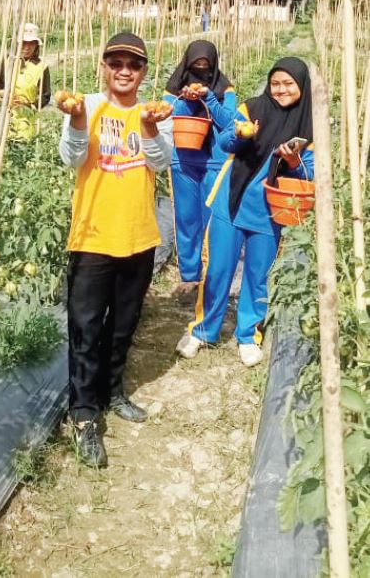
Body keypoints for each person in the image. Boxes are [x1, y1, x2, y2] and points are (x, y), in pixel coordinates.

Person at [58, 32, 173, 468]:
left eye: (134, 64)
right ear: (103, 67)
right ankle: (84, 415)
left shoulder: (155, 113)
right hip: (92, 236)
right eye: (116, 63)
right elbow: (71, 158)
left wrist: (147, 130)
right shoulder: (85, 106)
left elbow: (162, 163)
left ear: (143, 72)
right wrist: (73, 121)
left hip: (139, 235)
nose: (124, 70)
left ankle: (112, 390)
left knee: (123, 325)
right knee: (85, 328)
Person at [176, 57, 314, 367]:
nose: (280, 90)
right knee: (218, 270)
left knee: (258, 274)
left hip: (270, 211)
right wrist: (241, 134)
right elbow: (225, 142)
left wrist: (293, 162)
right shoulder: (253, 107)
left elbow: (311, 176)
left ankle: (248, 335)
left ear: (301, 86)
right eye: (275, 83)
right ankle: (202, 330)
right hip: (231, 200)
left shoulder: (310, 126)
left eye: (288, 84)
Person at [163, 40, 235, 294]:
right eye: (196, 66)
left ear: (214, 65)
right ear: (187, 63)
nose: (201, 71)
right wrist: (187, 99)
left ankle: (211, 273)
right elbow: (167, 114)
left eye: (206, 66)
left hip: (214, 160)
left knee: (212, 219)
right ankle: (190, 274)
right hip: (182, 160)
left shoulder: (225, 88)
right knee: (186, 218)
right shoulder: (175, 87)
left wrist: (210, 99)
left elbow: (230, 122)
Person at [0, 23, 51, 140]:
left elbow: (45, 96)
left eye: (31, 43)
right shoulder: (7, 61)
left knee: (23, 148)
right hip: (4, 116)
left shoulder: (41, 66)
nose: (26, 47)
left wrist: (28, 105)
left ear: (36, 45)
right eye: (23, 43)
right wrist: (3, 94)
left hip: (27, 119)